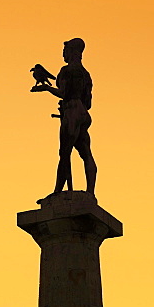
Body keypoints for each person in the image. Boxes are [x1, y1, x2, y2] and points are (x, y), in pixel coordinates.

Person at [31, 38, 97, 196]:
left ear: (72, 52)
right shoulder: (86, 75)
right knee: (86, 153)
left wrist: (46, 88)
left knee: (64, 152)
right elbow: (88, 103)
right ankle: (90, 192)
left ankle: (58, 191)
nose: (63, 56)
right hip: (83, 113)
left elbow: (63, 93)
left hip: (72, 111)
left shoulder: (66, 71)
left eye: (65, 52)